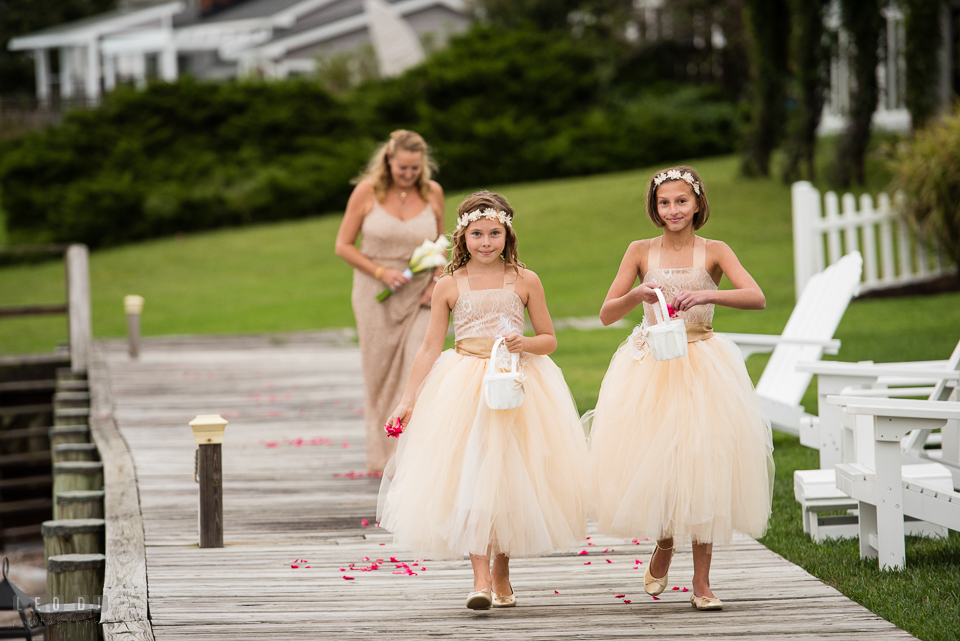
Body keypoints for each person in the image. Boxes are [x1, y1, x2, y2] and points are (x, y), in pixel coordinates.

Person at [377, 191, 588, 610]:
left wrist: (523, 340)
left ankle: (502, 571)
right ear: (463, 236)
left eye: (494, 233)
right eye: (477, 233)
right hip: (465, 384)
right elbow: (429, 347)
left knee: (510, 476)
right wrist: (407, 400)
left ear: (507, 234)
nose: (486, 242)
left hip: (515, 382)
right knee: (471, 477)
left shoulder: (525, 280)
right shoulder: (448, 285)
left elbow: (549, 339)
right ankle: (480, 580)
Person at [587, 166, 774, 611]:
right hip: (652, 367)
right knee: (660, 460)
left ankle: (703, 582)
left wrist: (709, 296)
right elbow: (606, 313)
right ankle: (666, 540)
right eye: (664, 202)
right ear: (654, 207)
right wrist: (639, 296)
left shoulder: (714, 251)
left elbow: (757, 296)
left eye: (681, 201)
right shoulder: (639, 251)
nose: (673, 210)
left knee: (703, 464)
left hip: (703, 363)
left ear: (697, 204)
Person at [335, 130, 445, 474]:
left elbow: (442, 244)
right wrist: (381, 272)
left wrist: (438, 282)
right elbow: (343, 245)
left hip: (422, 296)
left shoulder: (433, 193)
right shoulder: (367, 193)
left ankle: (416, 455)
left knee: (421, 367)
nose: (409, 174)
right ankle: (384, 459)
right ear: (388, 161)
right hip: (376, 294)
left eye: (415, 168)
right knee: (380, 374)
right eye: (402, 168)